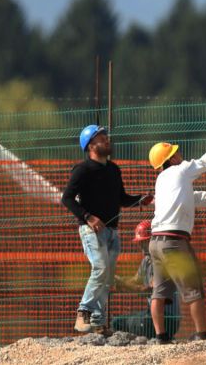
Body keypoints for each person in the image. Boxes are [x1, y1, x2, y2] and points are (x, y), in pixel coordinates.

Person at [146, 129, 206, 343]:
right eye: (175, 152)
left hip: (155, 242)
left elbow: (195, 197)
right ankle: (203, 335)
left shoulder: (162, 180)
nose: (179, 154)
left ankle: (161, 337)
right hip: (174, 242)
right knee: (193, 290)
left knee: (159, 293)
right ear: (170, 158)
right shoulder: (180, 170)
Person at [61, 124, 153, 334]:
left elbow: (121, 199)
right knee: (101, 268)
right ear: (91, 145)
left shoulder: (113, 169)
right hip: (91, 230)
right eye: (102, 138)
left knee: (107, 276)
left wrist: (140, 200)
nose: (107, 140)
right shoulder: (81, 170)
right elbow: (66, 199)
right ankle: (83, 311)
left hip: (112, 231)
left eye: (106, 137)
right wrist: (88, 217)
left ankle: (98, 322)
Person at [110, 220, 180, 339]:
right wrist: (118, 279)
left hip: (167, 318)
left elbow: (148, 289)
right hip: (153, 315)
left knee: (118, 323)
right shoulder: (147, 260)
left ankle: (161, 335)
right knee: (119, 321)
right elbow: (136, 280)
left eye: (143, 242)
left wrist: (124, 285)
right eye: (139, 242)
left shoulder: (159, 261)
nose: (140, 246)